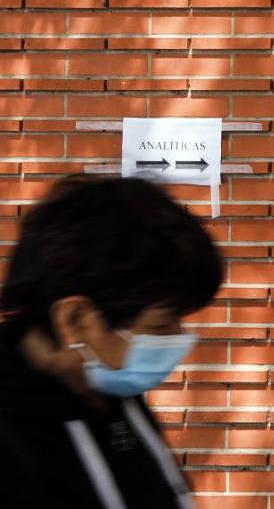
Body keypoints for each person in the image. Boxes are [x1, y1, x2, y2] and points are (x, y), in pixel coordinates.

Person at [0, 175, 223, 508]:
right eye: (161, 326)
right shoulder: (13, 438)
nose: (178, 342)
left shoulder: (110, 396)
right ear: (75, 319)